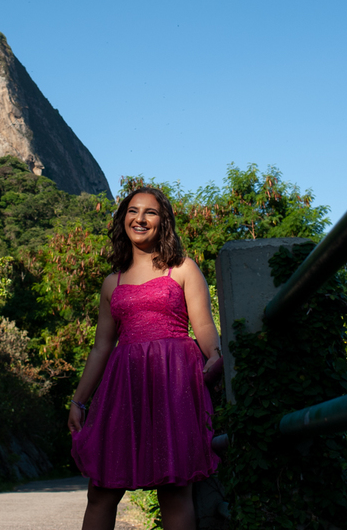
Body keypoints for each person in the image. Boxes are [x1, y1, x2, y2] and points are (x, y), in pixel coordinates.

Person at [68, 187, 222, 530]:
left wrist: (215, 354)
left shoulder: (182, 268)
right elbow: (100, 347)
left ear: (163, 222)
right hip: (123, 388)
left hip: (174, 382)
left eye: (150, 212)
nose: (140, 219)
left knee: (175, 490)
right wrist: (79, 401)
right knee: (102, 490)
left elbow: (205, 326)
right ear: (123, 219)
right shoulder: (112, 282)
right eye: (133, 211)